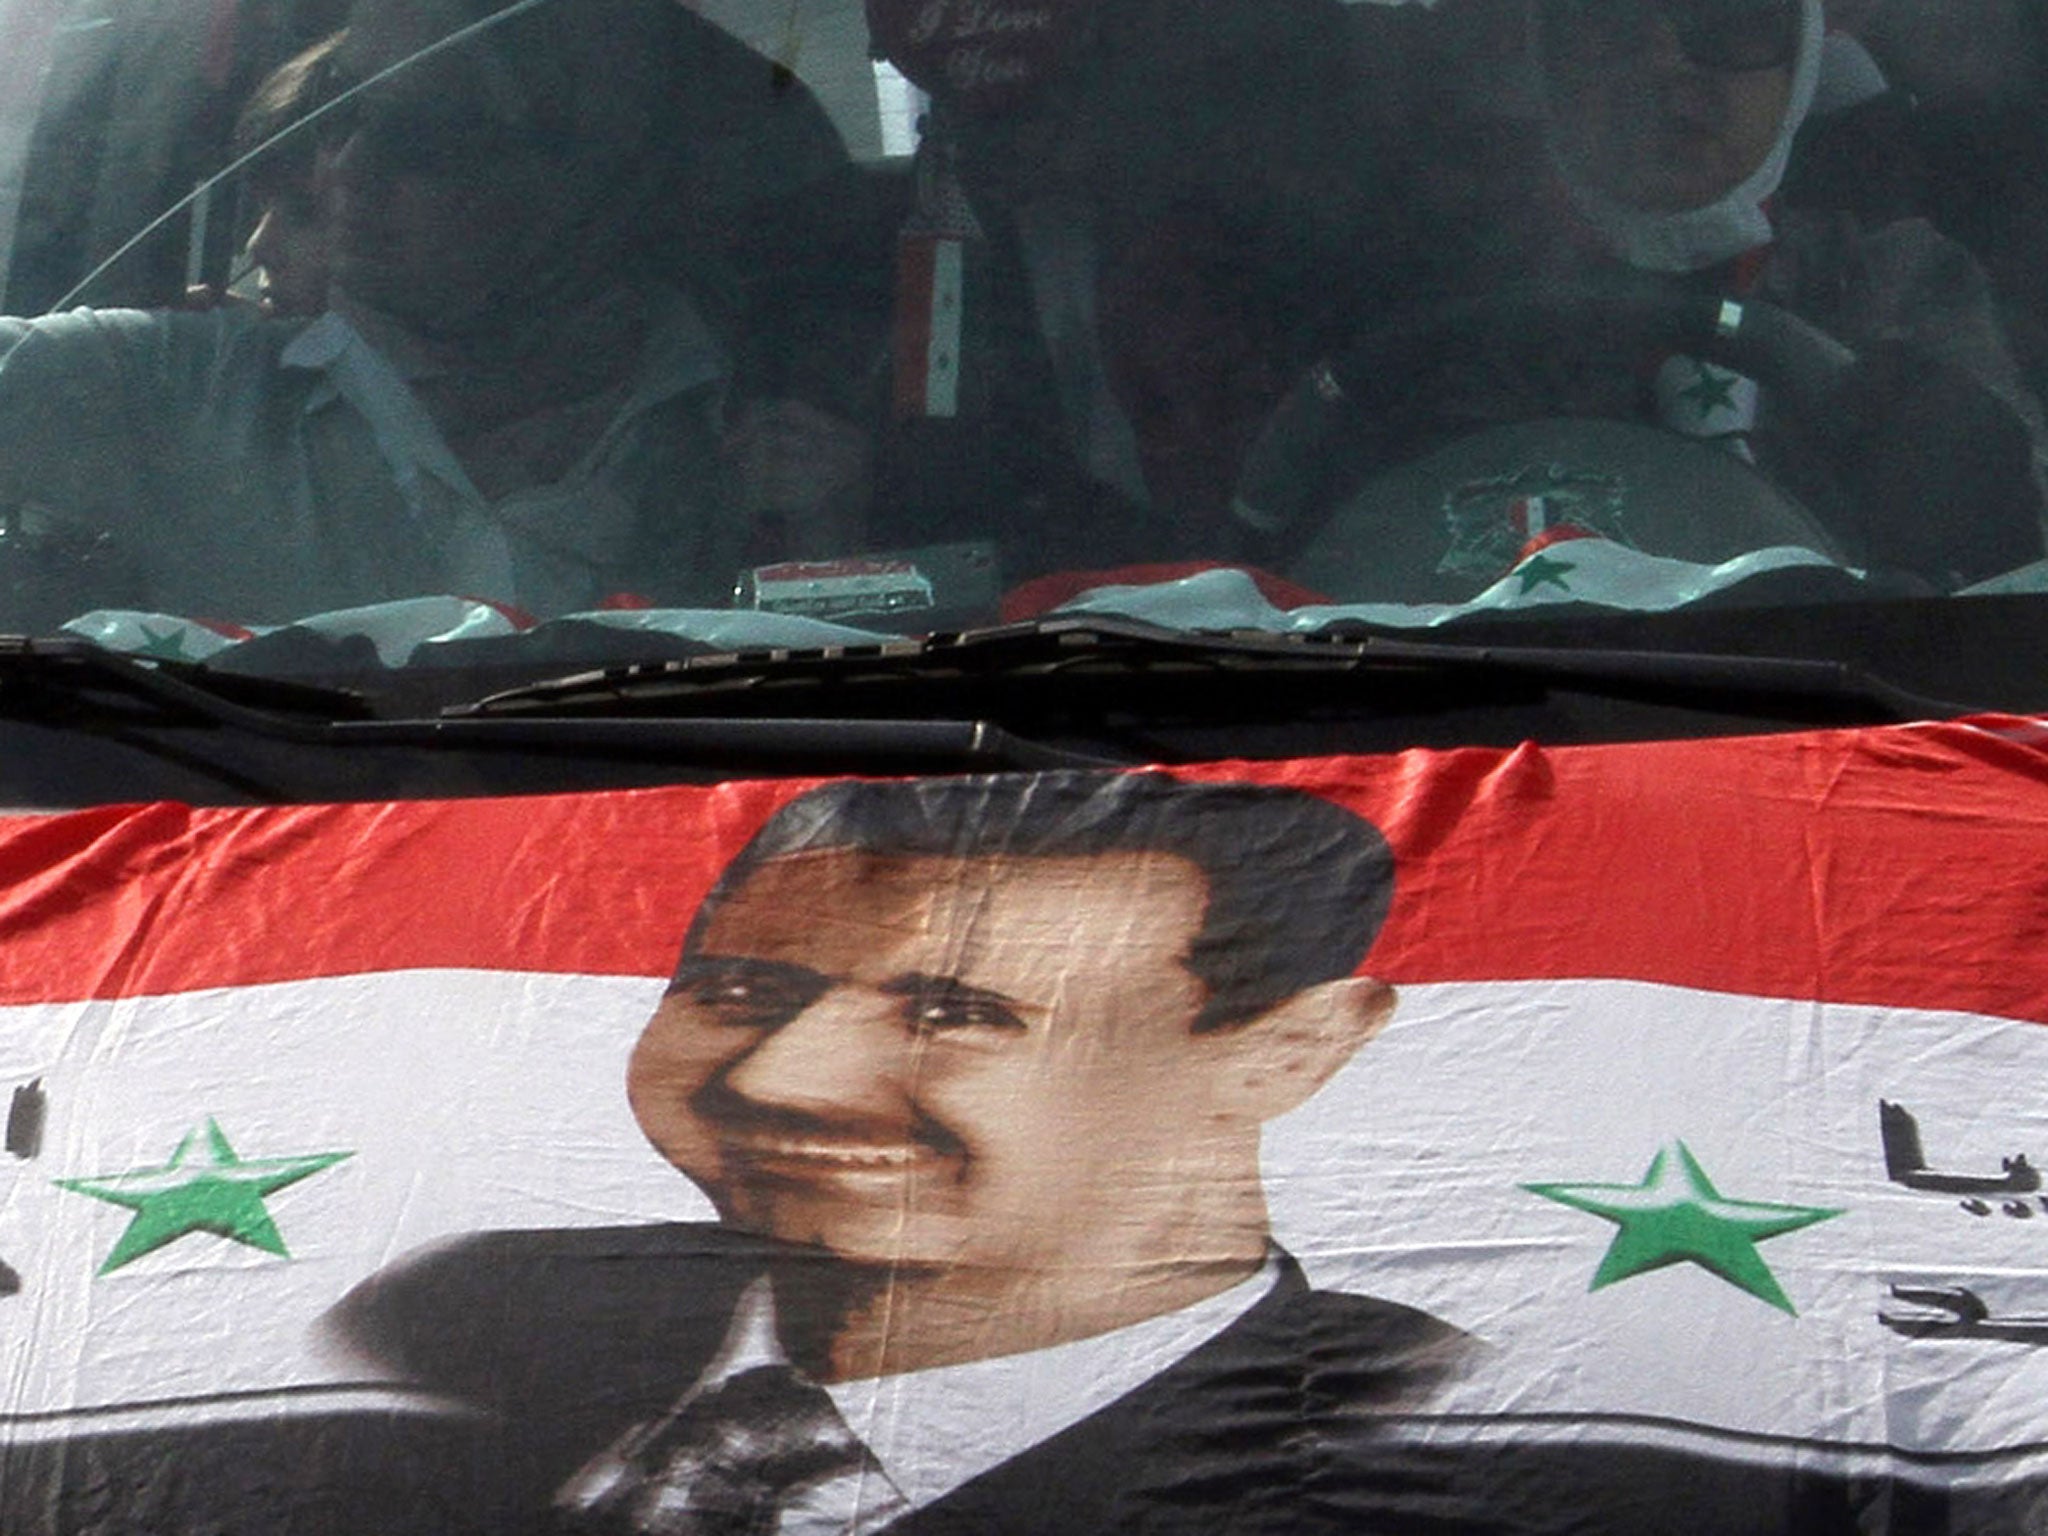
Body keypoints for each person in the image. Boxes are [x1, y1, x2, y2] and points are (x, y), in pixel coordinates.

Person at [326, 771, 1475, 1534]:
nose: (772, 1081)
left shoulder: (1480, 1461)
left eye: (954, 1013)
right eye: (737, 992)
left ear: (1286, 1053)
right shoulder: (397, 1348)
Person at [0, 0, 846, 627]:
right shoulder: (172, 391)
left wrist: (839, 531)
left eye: (428, 133)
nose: (349, 169)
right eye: (343, 109)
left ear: (600, 182)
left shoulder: (776, 433)